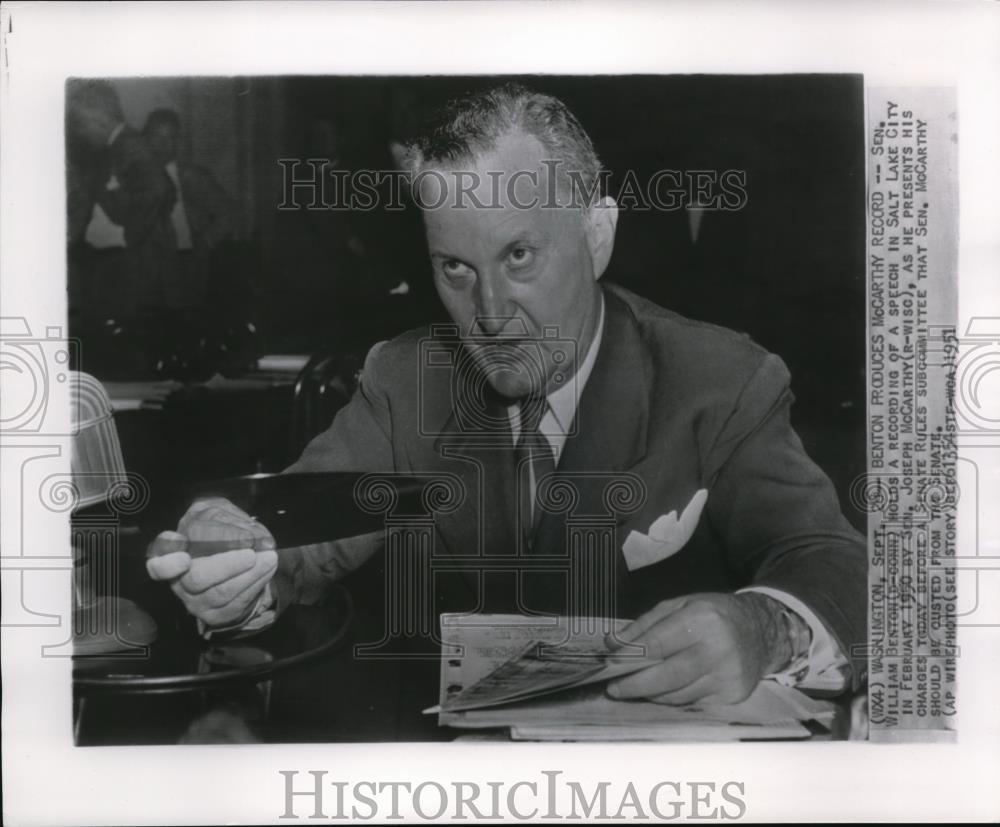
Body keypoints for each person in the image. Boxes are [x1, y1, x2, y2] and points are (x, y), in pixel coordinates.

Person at [147, 84, 866, 706]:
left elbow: (839, 564)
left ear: (598, 235)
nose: (489, 313)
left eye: (518, 256)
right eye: (455, 267)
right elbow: (294, 535)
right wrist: (233, 561)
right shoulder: (405, 381)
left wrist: (765, 628)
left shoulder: (719, 380)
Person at [66, 80, 176, 329]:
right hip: (121, 261)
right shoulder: (118, 146)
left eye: (82, 125)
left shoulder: (130, 145)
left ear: (100, 118)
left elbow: (159, 190)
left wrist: (128, 235)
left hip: (132, 263)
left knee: (129, 334)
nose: (81, 133)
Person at [142, 108, 235, 319]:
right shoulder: (135, 178)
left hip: (186, 264)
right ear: (146, 138)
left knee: (186, 324)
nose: (164, 144)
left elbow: (227, 212)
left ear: (179, 141)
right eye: (158, 136)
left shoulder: (192, 176)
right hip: (148, 268)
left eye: (171, 137)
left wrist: (207, 242)